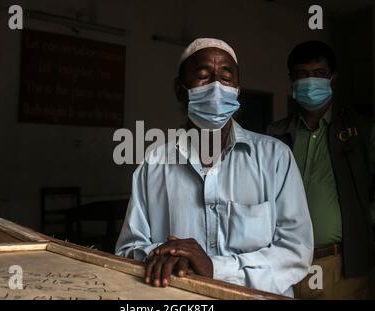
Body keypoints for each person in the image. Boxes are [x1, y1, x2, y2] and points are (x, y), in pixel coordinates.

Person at [115, 38, 313, 297]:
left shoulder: (275, 157)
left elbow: (295, 253)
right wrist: (166, 257)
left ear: (238, 90)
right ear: (180, 89)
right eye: (203, 76)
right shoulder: (154, 163)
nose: (217, 86)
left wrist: (214, 269)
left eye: (226, 77)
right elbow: (129, 249)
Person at [267, 40, 375, 299]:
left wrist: (367, 214)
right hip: (281, 262)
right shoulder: (275, 135)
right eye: (302, 75)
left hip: (340, 266)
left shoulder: (363, 131)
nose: (310, 81)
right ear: (291, 81)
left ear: (333, 78)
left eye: (319, 74)